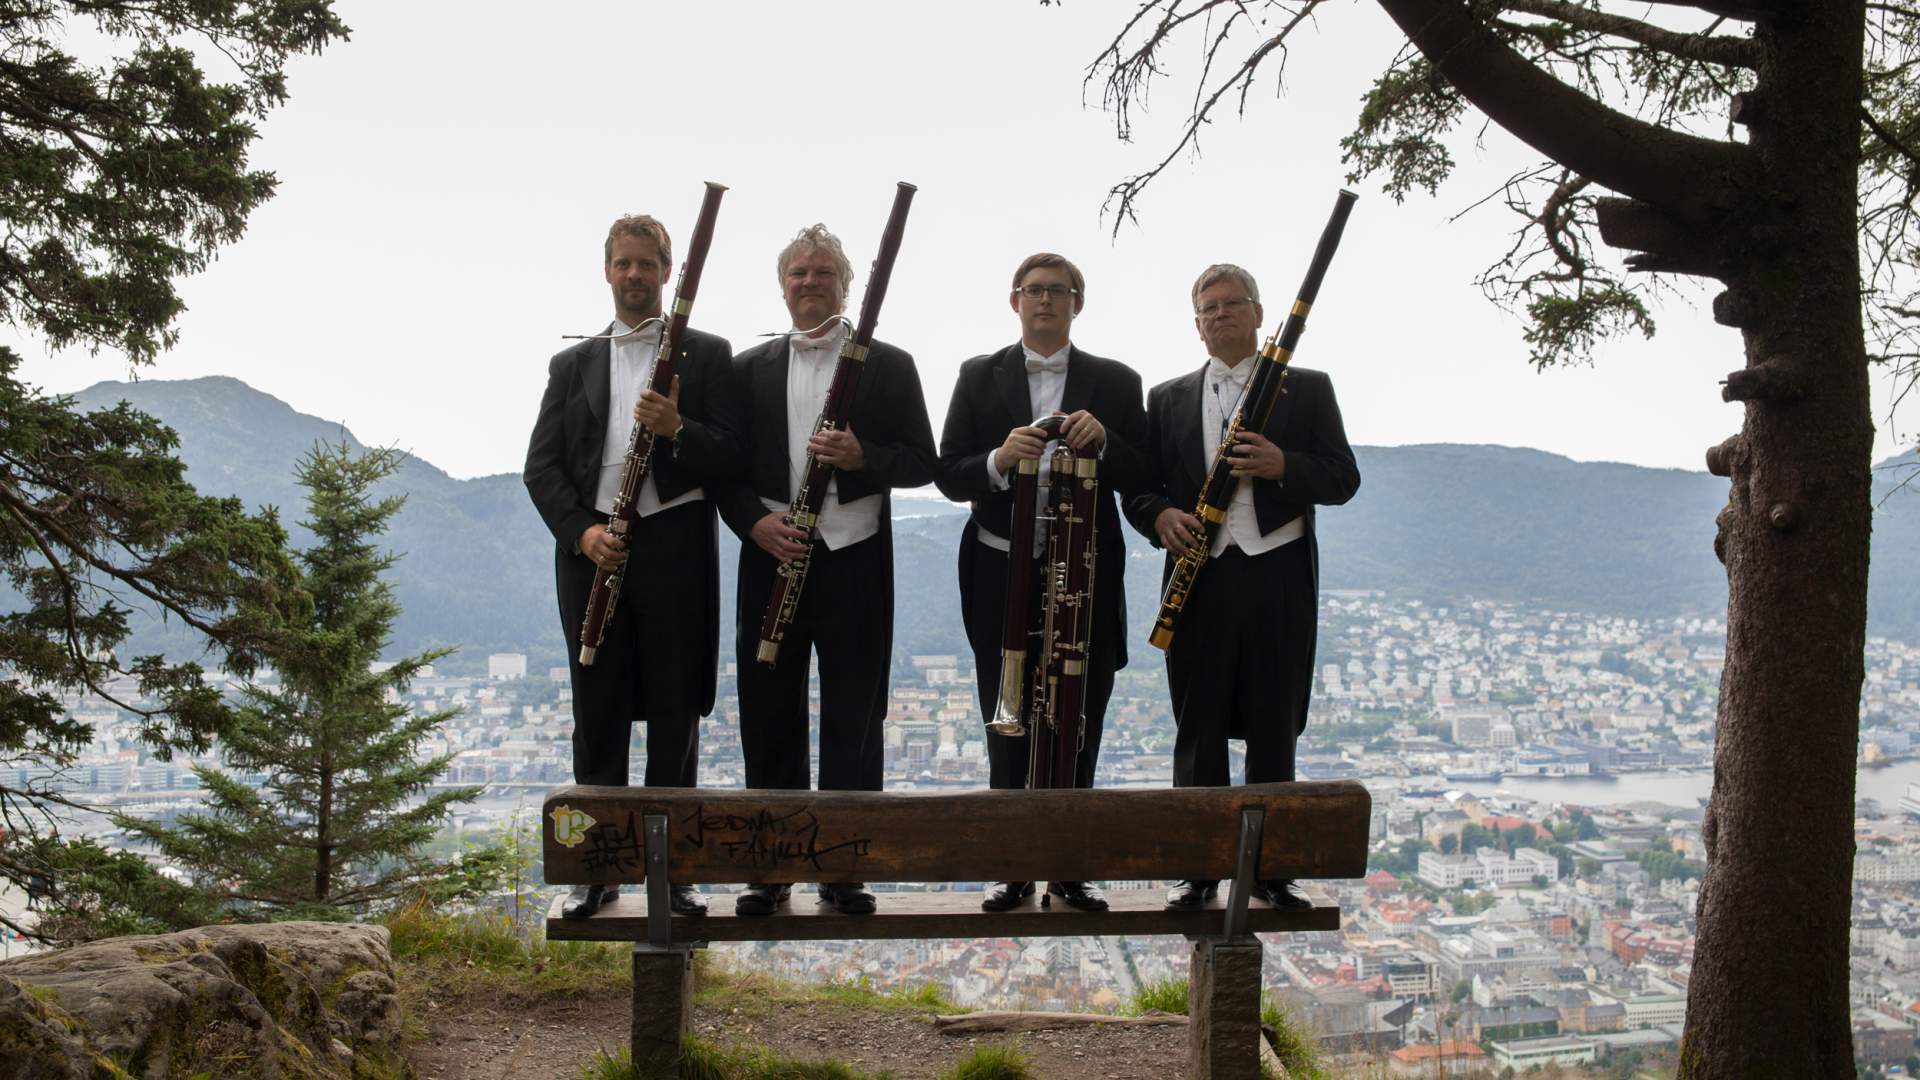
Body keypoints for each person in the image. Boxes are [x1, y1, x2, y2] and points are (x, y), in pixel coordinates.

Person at [715, 224, 937, 916]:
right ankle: (771, 869)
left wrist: (861, 455)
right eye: (798, 274)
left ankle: (843, 868)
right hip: (771, 554)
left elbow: (922, 462)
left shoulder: (890, 364)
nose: (810, 283)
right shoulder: (746, 369)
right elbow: (722, 470)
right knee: (767, 711)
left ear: (847, 285)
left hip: (855, 558)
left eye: (823, 273)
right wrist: (754, 522)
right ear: (783, 286)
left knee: (855, 713)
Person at [1124, 263, 1360, 912]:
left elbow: (1343, 477)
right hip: (1199, 578)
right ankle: (1197, 867)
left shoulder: (1306, 388)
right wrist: (1160, 518)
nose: (1221, 314)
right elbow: (1142, 491)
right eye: (1209, 308)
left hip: (1276, 576)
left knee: (1272, 724)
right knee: (1196, 726)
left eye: (1234, 304)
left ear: (1259, 315)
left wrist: (1284, 466)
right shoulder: (1166, 398)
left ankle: (1270, 869)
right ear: (1196, 325)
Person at [524, 214, 739, 919]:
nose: (635, 275)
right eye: (624, 263)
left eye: (648, 264)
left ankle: (673, 874)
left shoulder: (706, 354)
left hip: (674, 546)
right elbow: (543, 469)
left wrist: (679, 429)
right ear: (607, 270)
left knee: (676, 712)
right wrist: (583, 534)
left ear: (668, 272)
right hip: (596, 555)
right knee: (598, 710)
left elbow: (734, 456)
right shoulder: (571, 364)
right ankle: (598, 870)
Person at [934, 253, 1147, 913]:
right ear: (1014, 301)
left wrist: (1106, 439)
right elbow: (948, 472)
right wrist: (1000, 458)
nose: (1046, 301)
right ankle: (1013, 865)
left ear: (1077, 302)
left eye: (1059, 291)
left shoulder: (1116, 380)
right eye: (1034, 291)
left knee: (1081, 717)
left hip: (1084, 572)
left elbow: (1145, 474)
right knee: (1008, 714)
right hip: (1000, 567)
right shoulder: (977, 375)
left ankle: (1068, 868)